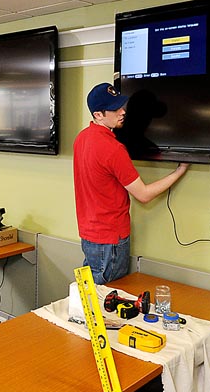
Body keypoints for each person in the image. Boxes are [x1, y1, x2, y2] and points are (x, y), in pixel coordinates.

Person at [74, 82, 189, 284]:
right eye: (114, 109)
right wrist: (179, 171)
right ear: (98, 114)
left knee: (93, 296)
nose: (122, 112)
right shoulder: (113, 149)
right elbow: (143, 195)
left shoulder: (82, 138)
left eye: (121, 106)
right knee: (108, 302)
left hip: (89, 234)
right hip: (110, 239)